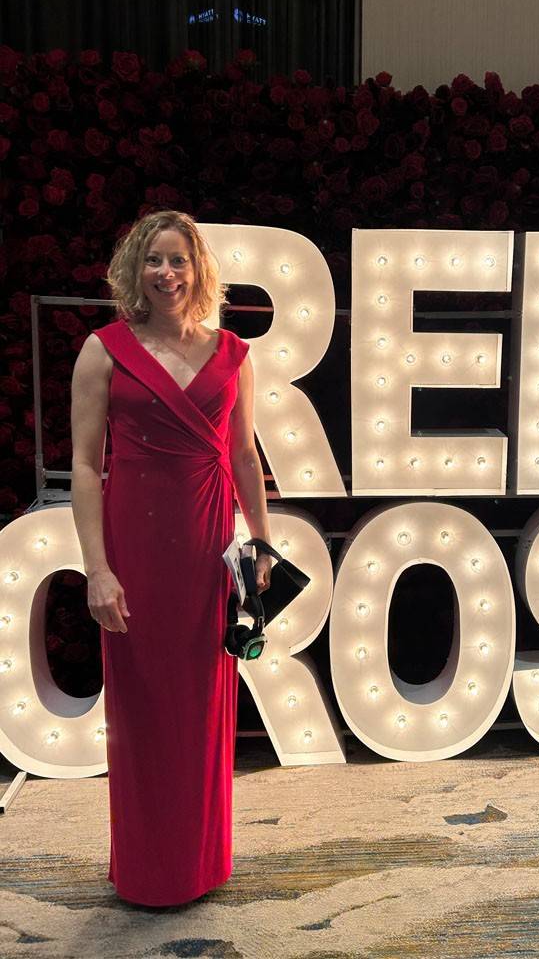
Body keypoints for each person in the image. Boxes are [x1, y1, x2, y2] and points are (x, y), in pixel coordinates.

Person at [70, 210, 273, 906]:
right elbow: (86, 467)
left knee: (204, 707)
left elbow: (244, 455)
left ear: (198, 270)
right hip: (136, 547)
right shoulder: (104, 350)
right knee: (144, 710)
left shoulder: (233, 354)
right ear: (136, 269)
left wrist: (261, 543)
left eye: (178, 260)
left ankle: (200, 863)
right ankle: (147, 870)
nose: (166, 273)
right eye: (154, 260)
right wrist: (97, 568)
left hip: (210, 547)